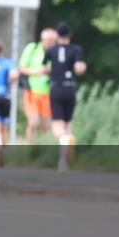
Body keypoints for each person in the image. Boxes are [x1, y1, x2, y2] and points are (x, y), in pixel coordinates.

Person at [44, 21, 87, 172]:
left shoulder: (51, 50)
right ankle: (64, 161)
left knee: (57, 126)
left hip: (56, 88)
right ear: (70, 35)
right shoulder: (77, 49)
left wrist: (52, 70)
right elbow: (80, 68)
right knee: (67, 125)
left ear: (57, 35)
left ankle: (63, 154)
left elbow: (45, 68)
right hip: (70, 88)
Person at [19, 28, 58, 144]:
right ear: (44, 39)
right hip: (32, 91)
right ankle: (28, 146)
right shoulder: (33, 48)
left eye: (54, 41)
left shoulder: (55, 52)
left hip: (47, 93)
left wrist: (50, 70)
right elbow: (21, 67)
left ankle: (42, 149)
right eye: (50, 40)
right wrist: (36, 72)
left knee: (47, 126)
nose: (52, 43)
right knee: (33, 122)